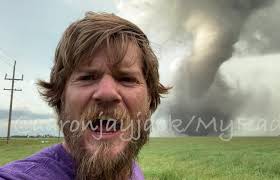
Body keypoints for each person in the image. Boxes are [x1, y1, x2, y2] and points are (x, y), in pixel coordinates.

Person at [0, 12, 170, 180]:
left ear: (150, 99)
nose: (107, 93)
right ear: (60, 97)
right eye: (87, 77)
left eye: (126, 79)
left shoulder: (130, 168)